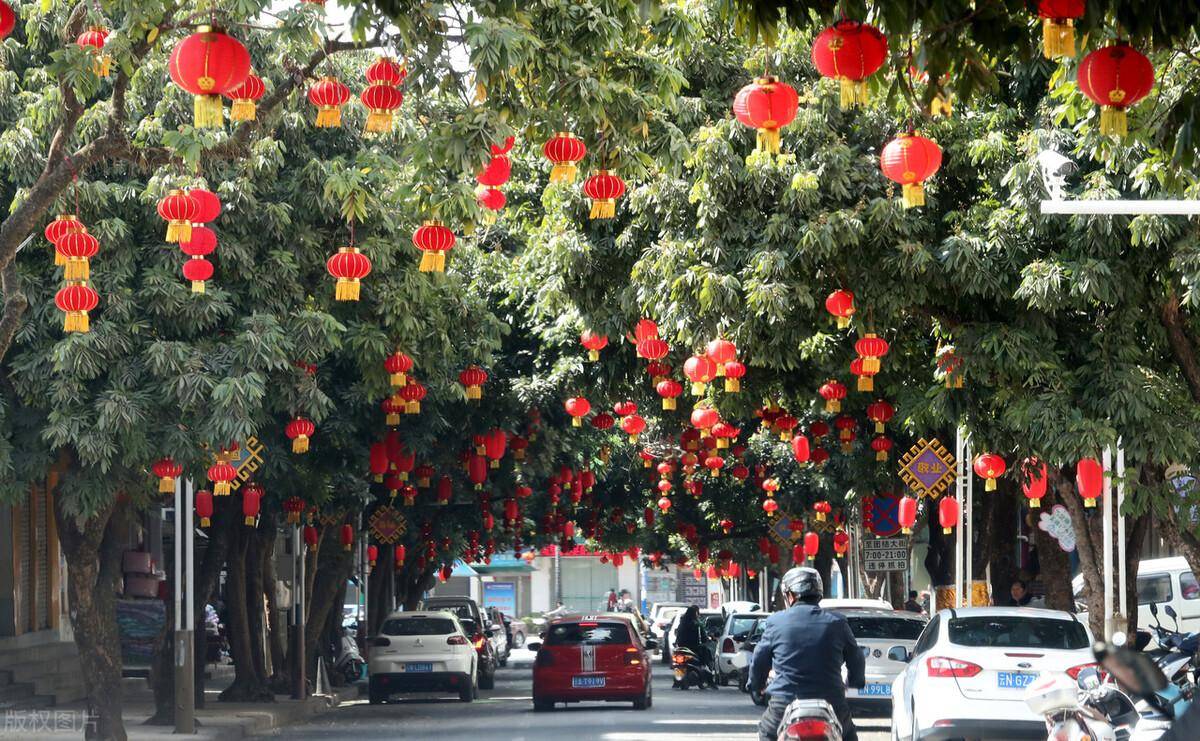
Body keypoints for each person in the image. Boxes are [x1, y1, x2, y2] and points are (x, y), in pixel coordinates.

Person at [750, 567, 865, 741]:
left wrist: (756, 685)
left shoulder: (775, 621)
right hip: (831, 700)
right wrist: (856, 681)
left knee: (766, 732)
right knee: (848, 735)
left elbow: (759, 659)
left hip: (785, 700)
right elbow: (856, 657)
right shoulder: (837, 622)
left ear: (790, 595)